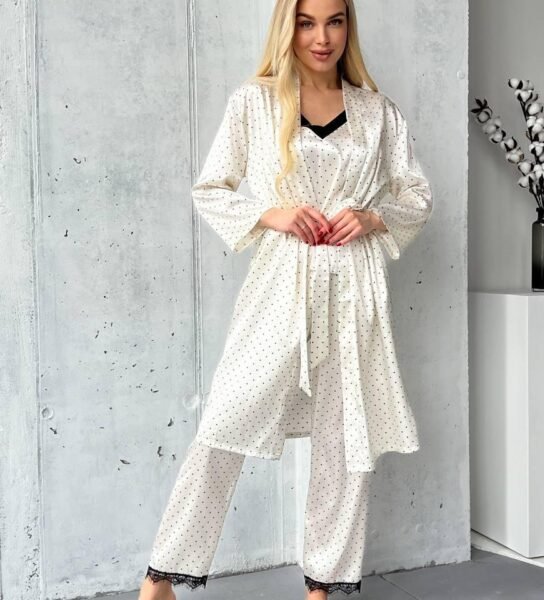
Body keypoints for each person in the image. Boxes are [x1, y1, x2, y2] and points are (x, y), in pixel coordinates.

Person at [138, 0, 433, 598]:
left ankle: (322, 587)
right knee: (226, 418)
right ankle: (161, 576)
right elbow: (211, 187)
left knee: (345, 439)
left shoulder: (378, 113)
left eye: (334, 21)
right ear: (287, 27)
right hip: (281, 283)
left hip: (354, 284)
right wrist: (271, 213)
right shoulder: (256, 101)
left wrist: (372, 216)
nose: (322, 37)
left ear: (349, 26)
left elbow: (417, 194)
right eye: (306, 22)